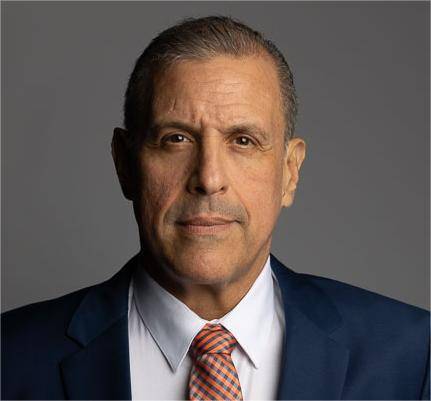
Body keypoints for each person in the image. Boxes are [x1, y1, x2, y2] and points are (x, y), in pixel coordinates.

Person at [1, 16, 429, 401]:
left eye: (243, 141)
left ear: (290, 172)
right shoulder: (12, 360)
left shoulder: (414, 358)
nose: (208, 178)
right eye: (176, 139)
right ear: (125, 165)